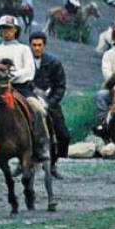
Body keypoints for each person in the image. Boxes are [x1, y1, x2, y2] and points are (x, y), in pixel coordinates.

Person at [0, 16, 50, 162]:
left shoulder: (24, 49)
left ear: (15, 30)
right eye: (3, 29)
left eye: (9, 28)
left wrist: (11, 75)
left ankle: (41, 144)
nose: (6, 32)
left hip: (20, 88)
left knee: (38, 109)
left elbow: (29, 71)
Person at [29, 31, 70, 179]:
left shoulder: (54, 62)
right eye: (34, 45)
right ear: (30, 45)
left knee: (63, 135)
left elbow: (60, 86)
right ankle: (23, 164)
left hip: (49, 102)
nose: (37, 48)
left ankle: (53, 164)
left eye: (40, 45)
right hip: (30, 101)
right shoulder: (25, 61)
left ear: (44, 46)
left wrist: (51, 102)